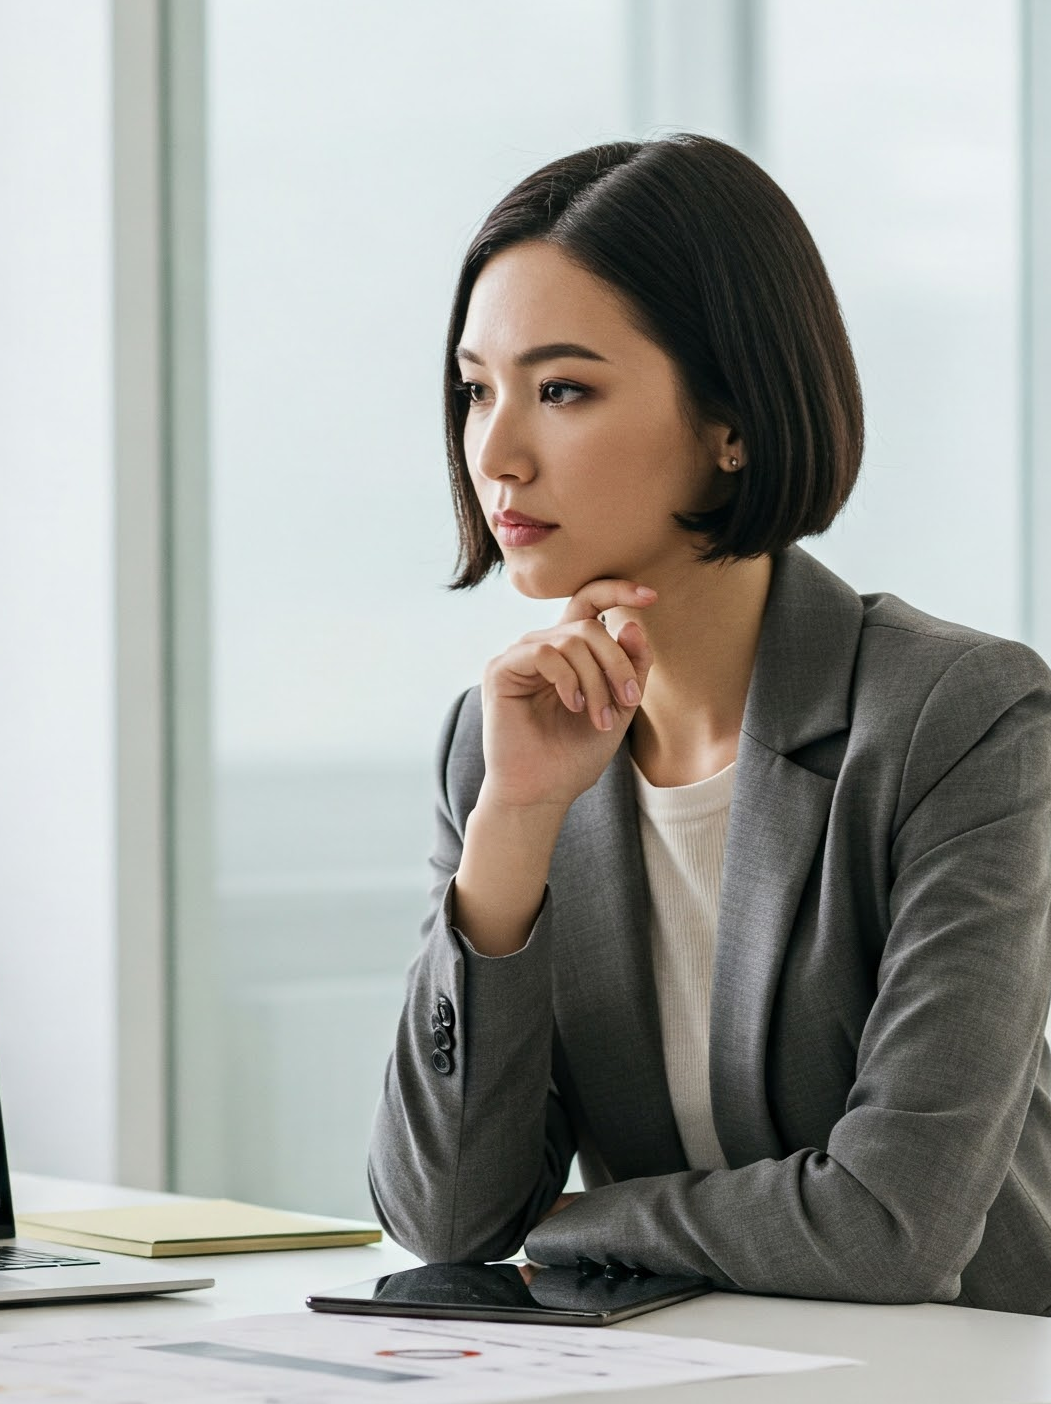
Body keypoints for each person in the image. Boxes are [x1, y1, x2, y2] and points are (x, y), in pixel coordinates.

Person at [368, 134, 1051, 1314]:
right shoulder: (496, 745)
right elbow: (441, 1217)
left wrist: (582, 1223)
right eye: (476, 389)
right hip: (682, 1370)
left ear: (728, 422)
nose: (495, 451)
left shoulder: (958, 719)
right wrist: (515, 827)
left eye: (561, 390)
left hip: (967, 1365)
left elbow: (891, 1228)